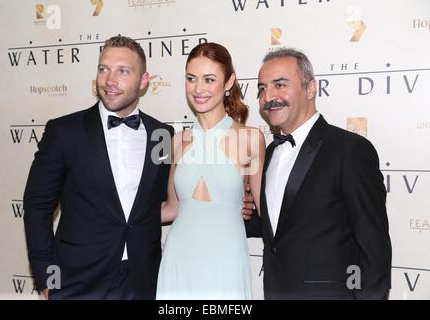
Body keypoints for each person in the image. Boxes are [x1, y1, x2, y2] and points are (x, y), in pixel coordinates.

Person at [23, 35, 174, 300]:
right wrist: (48, 279)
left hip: (143, 279)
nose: (109, 80)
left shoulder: (161, 134)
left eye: (123, 71)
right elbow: (37, 206)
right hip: (77, 280)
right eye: (103, 69)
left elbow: (159, 201)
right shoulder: (64, 132)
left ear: (143, 81)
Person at [244, 48, 392, 299]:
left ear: (311, 88)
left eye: (280, 85)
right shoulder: (268, 153)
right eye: (261, 89)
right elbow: (281, 229)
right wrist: (243, 215)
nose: (268, 96)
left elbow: (374, 247)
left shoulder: (350, 150)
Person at [156, 42, 265, 299]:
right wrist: (113, 217)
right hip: (179, 259)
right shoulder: (176, 141)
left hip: (226, 259)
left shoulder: (251, 138)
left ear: (229, 82)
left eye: (209, 79)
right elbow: (172, 208)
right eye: (191, 79)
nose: (198, 89)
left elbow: (265, 210)